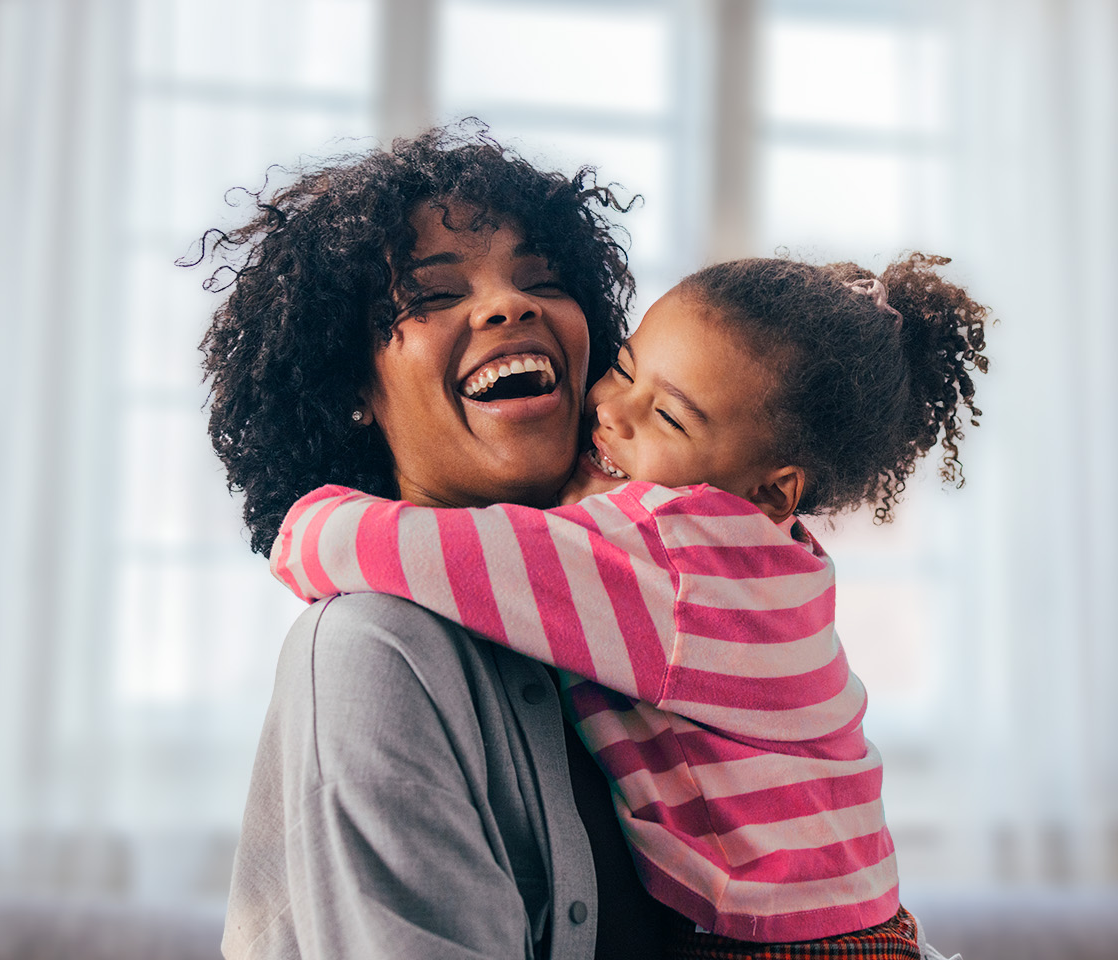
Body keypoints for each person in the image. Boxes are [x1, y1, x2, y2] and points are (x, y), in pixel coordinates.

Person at [270, 254, 989, 959]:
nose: (609, 410)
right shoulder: (764, 556)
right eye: (622, 367)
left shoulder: (676, 553)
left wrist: (304, 521)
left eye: (669, 419)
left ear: (770, 492)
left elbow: (428, 551)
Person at [194, 122, 680, 959]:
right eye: (431, 294)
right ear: (351, 385)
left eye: (544, 280)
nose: (510, 304)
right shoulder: (370, 650)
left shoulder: (639, 609)